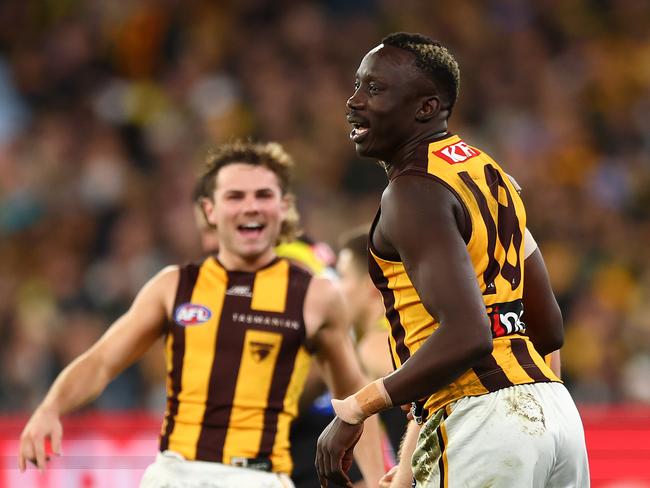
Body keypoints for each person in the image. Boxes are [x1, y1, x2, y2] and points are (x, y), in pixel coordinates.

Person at [18, 140, 385, 488]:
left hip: (259, 477)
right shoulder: (173, 285)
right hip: (177, 474)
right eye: (235, 196)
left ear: (284, 205)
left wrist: (380, 476)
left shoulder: (316, 296)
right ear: (210, 210)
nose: (251, 206)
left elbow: (352, 398)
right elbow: (101, 362)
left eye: (263, 195)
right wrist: (50, 407)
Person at [316, 32, 589, 487]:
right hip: (554, 413)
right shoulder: (491, 175)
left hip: (484, 418)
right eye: (358, 85)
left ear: (426, 107)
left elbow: (468, 334)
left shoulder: (413, 190)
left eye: (375, 89)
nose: (354, 101)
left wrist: (357, 407)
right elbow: (549, 327)